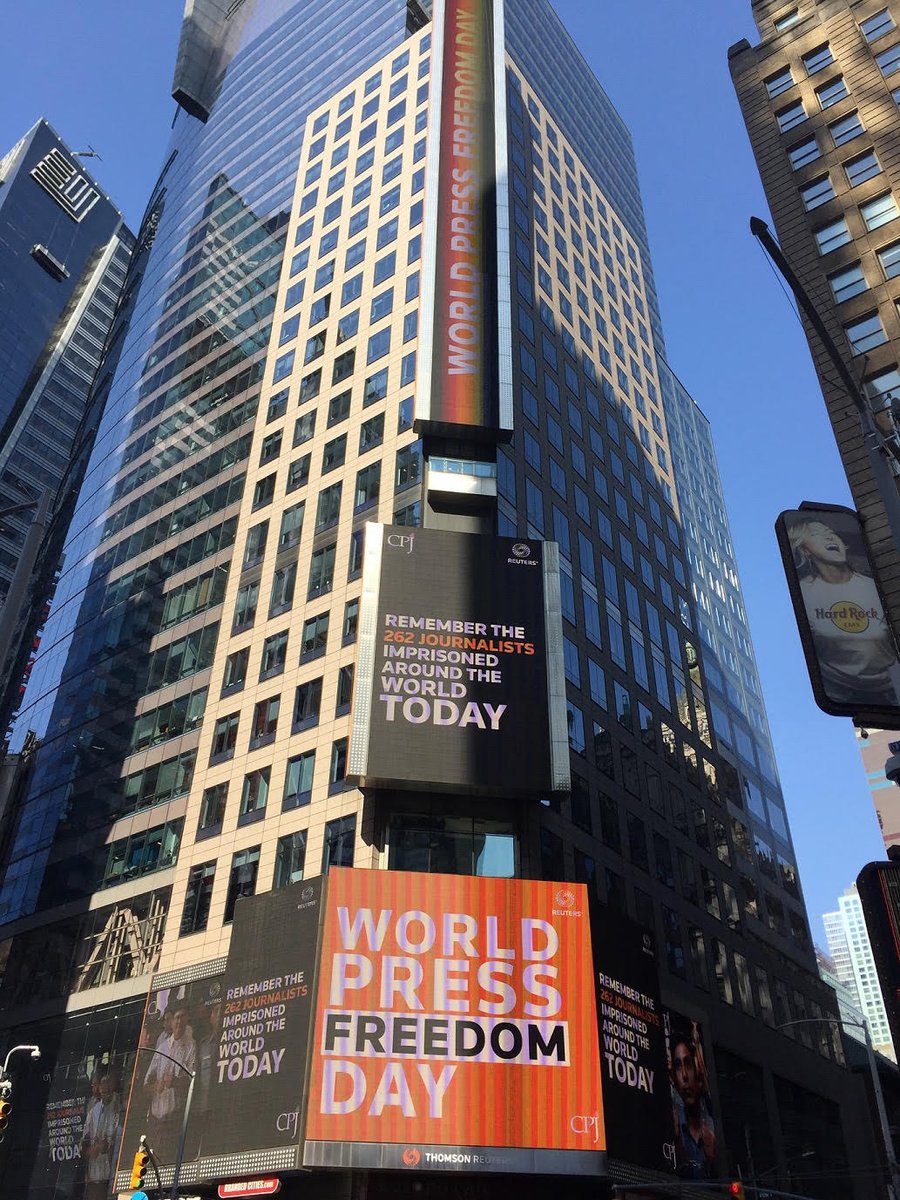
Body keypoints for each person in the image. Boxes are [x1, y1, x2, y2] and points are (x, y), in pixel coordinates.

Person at [787, 517, 900, 707]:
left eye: (831, 533)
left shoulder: (872, 587)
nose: (829, 538)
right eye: (817, 535)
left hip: (891, 691)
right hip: (840, 694)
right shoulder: (804, 594)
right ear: (805, 550)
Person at [143, 1006, 196, 1161]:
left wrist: (174, 1082)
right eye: (176, 1018)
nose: (179, 1021)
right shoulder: (162, 1047)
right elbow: (145, 1086)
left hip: (173, 1118)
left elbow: (192, 1081)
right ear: (171, 1022)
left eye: (182, 1016)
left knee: (168, 1162)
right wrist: (155, 1086)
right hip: (154, 1118)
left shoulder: (191, 1046)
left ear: (187, 1020)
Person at [670, 1028, 716, 1178]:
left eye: (688, 1064)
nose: (684, 1075)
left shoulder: (712, 1126)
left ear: (698, 1071)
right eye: (678, 1066)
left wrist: (712, 1160)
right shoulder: (673, 1128)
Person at [80, 1072, 121, 1200]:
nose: (105, 1095)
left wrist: (109, 1144)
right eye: (103, 1092)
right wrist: (91, 1150)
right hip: (97, 1173)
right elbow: (84, 1143)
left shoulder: (119, 1107)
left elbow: (121, 1133)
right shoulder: (93, 1111)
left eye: (108, 1092)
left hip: (115, 1173)